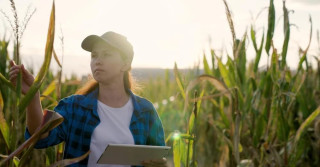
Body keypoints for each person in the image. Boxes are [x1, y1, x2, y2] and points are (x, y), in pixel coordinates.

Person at [8, 31, 167, 167]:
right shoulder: (74, 107)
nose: (98, 60)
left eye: (106, 54)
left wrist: (160, 163)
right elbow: (40, 138)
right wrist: (32, 96)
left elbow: (160, 158)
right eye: (94, 55)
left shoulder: (146, 111)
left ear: (125, 64)